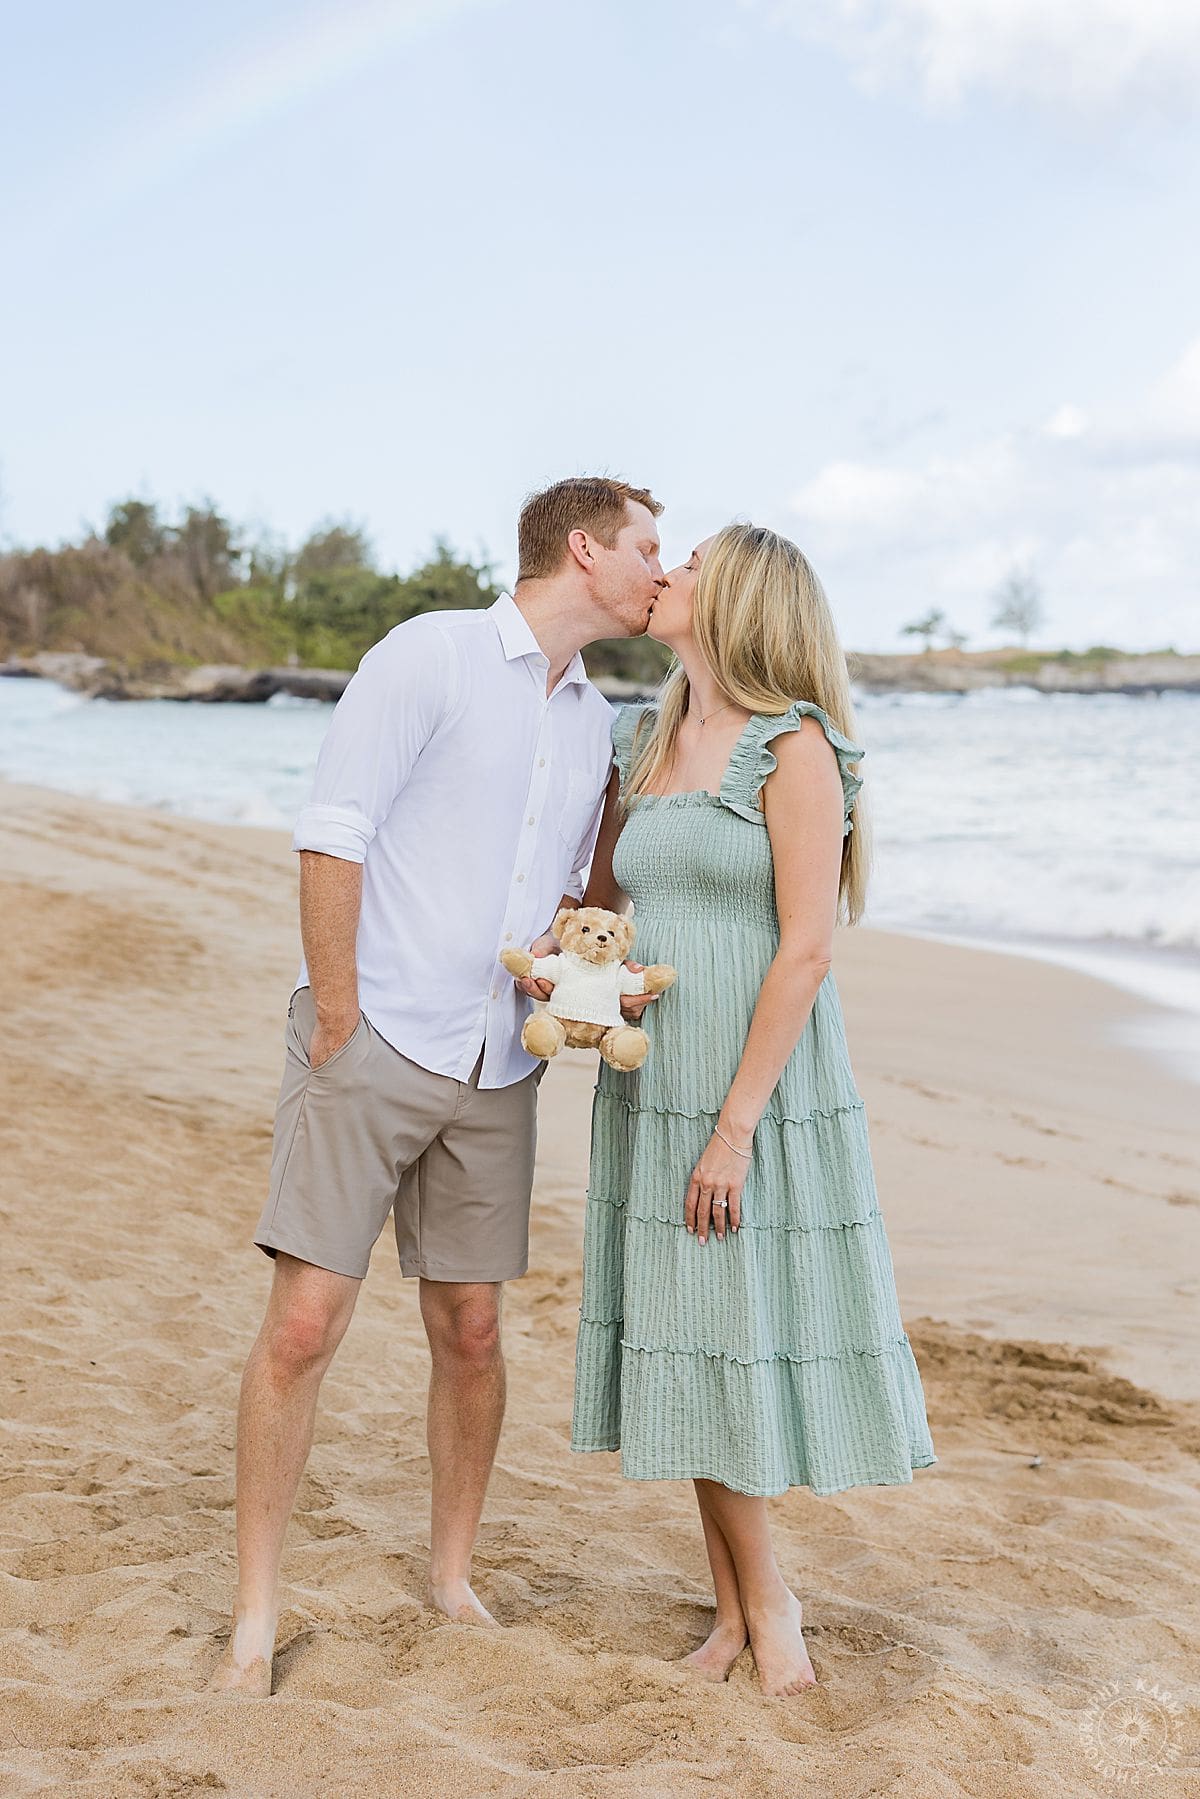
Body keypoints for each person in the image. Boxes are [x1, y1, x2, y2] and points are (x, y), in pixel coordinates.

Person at [209, 475, 667, 1696]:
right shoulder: (430, 654)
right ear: (583, 547)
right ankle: (255, 1613)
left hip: (496, 1063)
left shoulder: (594, 720)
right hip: (377, 1038)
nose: (659, 574)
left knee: (470, 1332)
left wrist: (582, 973)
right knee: (305, 1325)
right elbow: (332, 831)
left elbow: (588, 896)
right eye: (647, 549)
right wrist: (342, 1014)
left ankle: (450, 1573)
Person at [568, 522, 937, 1698]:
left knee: (729, 1324)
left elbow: (807, 951)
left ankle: (770, 1608)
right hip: (653, 1076)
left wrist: (734, 1128)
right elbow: (600, 903)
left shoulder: (796, 747)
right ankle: (733, 1610)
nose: (664, 573)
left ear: (735, 602)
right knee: (685, 1329)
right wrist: (571, 978)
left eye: (688, 567)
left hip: (754, 1088)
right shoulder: (645, 732)